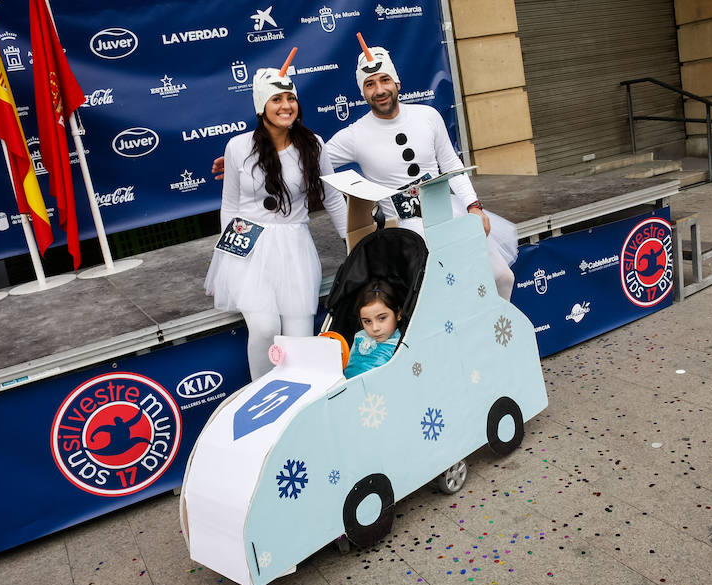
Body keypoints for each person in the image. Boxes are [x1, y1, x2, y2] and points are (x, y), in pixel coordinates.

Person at [325, 40, 518, 300]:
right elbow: (317, 162)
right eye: (370, 84)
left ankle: (497, 337)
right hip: (405, 235)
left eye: (385, 80)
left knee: (501, 277)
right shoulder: (354, 135)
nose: (379, 89)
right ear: (362, 92)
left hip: (451, 216)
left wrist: (473, 205)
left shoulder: (427, 116)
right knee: (440, 297)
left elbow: (451, 164)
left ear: (397, 83)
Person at [205, 56, 347, 380]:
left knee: (299, 337)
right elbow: (230, 206)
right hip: (250, 247)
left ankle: (296, 402)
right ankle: (261, 393)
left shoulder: (314, 146)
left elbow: (334, 198)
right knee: (266, 327)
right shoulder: (237, 147)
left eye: (291, 98)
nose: (286, 105)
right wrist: (226, 259)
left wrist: (351, 242)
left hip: (295, 245)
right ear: (261, 106)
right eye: (277, 99)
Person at [343, 280, 402, 378]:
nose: (375, 328)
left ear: (398, 314)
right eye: (367, 321)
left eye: (382, 318)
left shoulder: (402, 345)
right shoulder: (360, 337)